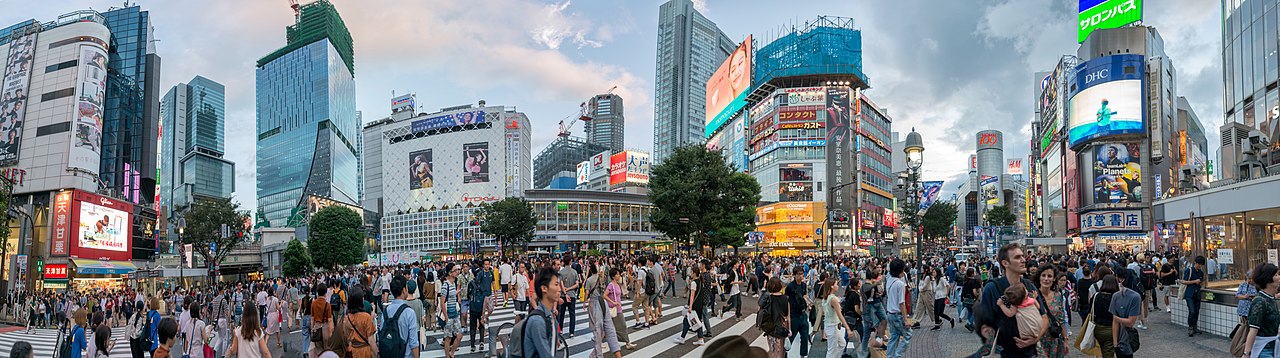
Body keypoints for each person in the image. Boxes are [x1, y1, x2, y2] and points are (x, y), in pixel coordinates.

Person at [974, 244, 1048, 358]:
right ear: (1005, 263)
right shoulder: (993, 288)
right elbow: (984, 324)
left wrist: (1035, 339)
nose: (1024, 260)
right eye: (1018, 257)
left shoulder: (1029, 286)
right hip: (1003, 352)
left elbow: (1044, 317)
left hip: (1030, 352)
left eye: (1023, 256)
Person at [1242, 263, 1280, 358]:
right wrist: (1246, 354)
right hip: (1264, 350)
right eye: (1276, 275)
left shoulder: (1270, 298)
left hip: (1274, 346)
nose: (1279, 277)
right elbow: (1253, 330)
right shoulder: (1259, 301)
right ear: (1268, 279)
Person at [523, 267, 563, 358]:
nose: (559, 289)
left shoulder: (550, 316)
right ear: (544, 288)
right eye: (556, 284)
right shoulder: (538, 321)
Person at [1035, 264, 1068, 358]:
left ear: (1054, 279)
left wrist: (1065, 340)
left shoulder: (1058, 296)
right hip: (1037, 340)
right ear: (1039, 277)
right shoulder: (1033, 295)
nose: (1046, 279)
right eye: (1043, 275)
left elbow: (1061, 319)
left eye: (1049, 276)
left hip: (1053, 340)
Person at [387, 274, 422, 358]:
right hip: (406, 354)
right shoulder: (409, 312)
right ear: (404, 290)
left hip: (391, 353)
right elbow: (413, 342)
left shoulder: (386, 310)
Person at [818, 278, 854, 358]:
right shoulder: (833, 299)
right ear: (831, 286)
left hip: (830, 325)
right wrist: (848, 329)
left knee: (842, 344)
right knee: (831, 350)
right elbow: (840, 315)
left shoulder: (827, 297)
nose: (838, 286)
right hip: (832, 326)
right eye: (836, 284)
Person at [1110, 269, 1143, 358]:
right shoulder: (1116, 296)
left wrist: (1116, 318)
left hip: (1126, 339)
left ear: (1121, 279)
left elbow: (1130, 322)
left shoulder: (1134, 297)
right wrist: (1115, 343)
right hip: (1123, 339)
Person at [884, 259, 912, 358]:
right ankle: (897, 355)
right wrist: (906, 319)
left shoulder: (889, 280)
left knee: (894, 336)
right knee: (908, 335)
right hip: (897, 314)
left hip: (889, 313)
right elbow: (902, 303)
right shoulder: (900, 284)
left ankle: (890, 356)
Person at [343, 286, 377, 358]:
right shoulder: (366, 317)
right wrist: (377, 353)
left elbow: (347, 337)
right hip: (365, 351)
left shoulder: (347, 318)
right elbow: (371, 340)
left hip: (353, 351)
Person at [1091, 275, 1120, 358]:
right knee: (1108, 353)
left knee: (1099, 350)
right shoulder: (1116, 297)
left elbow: (1091, 311)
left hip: (1097, 328)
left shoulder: (1096, 296)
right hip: (1111, 329)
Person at [607, 268, 636, 350]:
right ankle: (627, 343)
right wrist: (613, 302)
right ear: (613, 276)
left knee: (610, 327)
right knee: (622, 325)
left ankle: (600, 339)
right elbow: (605, 295)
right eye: (617, 274)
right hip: (614, 309)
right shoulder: (611, 285)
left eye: (618, 274)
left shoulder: (617, 284)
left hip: (618, 308)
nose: (618, 275)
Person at [760, 276, 790, 358]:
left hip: (770, 327)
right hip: (781, 327)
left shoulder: (768, 298)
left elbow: (760, 309)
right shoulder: (785, 298)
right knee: (780, 351)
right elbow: (788, 316)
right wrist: (789, 330)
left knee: (772, 350)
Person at [786, 266, 812, 356]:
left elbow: (805, 295)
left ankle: (803, 355)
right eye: (799, 274)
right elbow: (786, 300)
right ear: (794, 275)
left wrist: (809, 304)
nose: (801, 276)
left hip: (803, 314)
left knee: (804, 337)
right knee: (790, 338)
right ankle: (784, 354)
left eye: (802, 274)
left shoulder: (804, 285)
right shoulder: (790, 286)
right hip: (793, 315)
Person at [439, 264, 464, 358]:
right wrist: (446, 317)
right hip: (448, 315)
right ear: (450, 273)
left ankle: (452, 353)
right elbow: (442, 302)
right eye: (455, 270)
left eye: (458, 269)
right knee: (448, 338)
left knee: (459, 335)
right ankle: (447, 356)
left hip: (455, 314)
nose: (458, 271)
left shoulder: (453, 284)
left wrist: (458, 292)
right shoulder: (446, 285)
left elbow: (451, 295)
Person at [1181, 256, 1206, 337]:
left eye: (1201, 265)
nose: (1200, 266)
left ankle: (1195, 326)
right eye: (1199, 264)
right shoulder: (1189, 270)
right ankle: (1190, 327)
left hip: (1197, 293)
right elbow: (1184, 281)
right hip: (1190, 293)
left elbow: (1201, 282)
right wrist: (1195, 281)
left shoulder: (1201, 272)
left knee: (1197, 311)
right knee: (1192, 311)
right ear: (1196, 263)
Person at [310, 282, 333, 358]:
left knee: (318, 350)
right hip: (326, 327)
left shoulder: (313, 303)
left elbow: (312, 318)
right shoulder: (327, 305)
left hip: (317, 326)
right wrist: (331, 331)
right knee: (327, 349)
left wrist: (312, 328)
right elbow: (330, 320)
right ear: (325, 293)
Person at [557, 260, 580, 338]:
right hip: (572, 295)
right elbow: (577, 284)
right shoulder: (574, 272)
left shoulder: (561, 272)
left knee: (561, 313)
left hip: (563, 295)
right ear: (570, 262)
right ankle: (571, 332)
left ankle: (560, 330)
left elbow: (560, 283)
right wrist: (569, 289)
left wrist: (565, 290)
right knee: (572, 314)